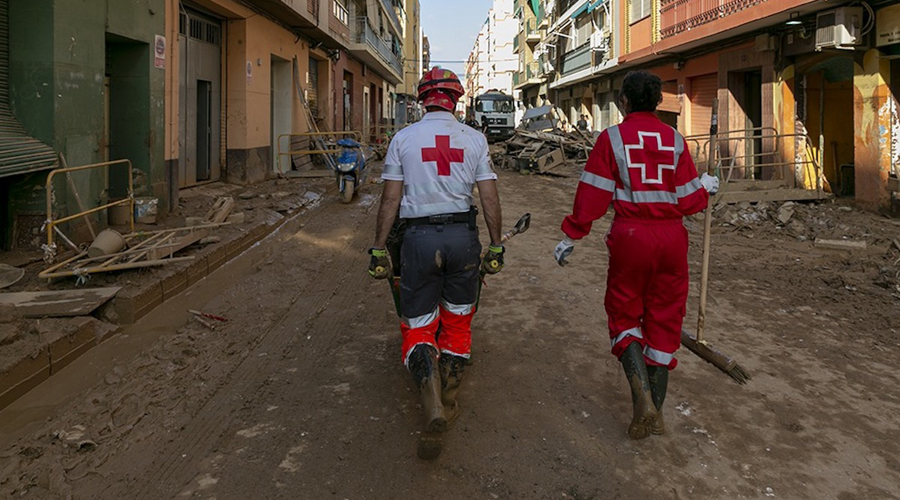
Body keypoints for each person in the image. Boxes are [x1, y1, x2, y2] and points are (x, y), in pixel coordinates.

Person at [553, 70, 719, 440]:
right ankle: (655, 412)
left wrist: (572, 234)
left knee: (624, 314)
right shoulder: (675, 140)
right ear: (658, 102)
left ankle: (642, 401)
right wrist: (706, 188)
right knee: (665, 320)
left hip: (631, 237)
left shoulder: (611, 138)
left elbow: (594, 192)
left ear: (623, 101)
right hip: (672, 239)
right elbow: (690, 201)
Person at [368, 67, 504, 458]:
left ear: (422, 99)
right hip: (462, 238)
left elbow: (390, 200)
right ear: (456, 99)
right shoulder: (474, 139)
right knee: (458, 320)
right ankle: (450, 397)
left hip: (418, 240)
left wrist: (378, 247)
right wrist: (496, 245)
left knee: (418, 323)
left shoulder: (403, 139)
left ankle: (431, 403)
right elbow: (489, 198)